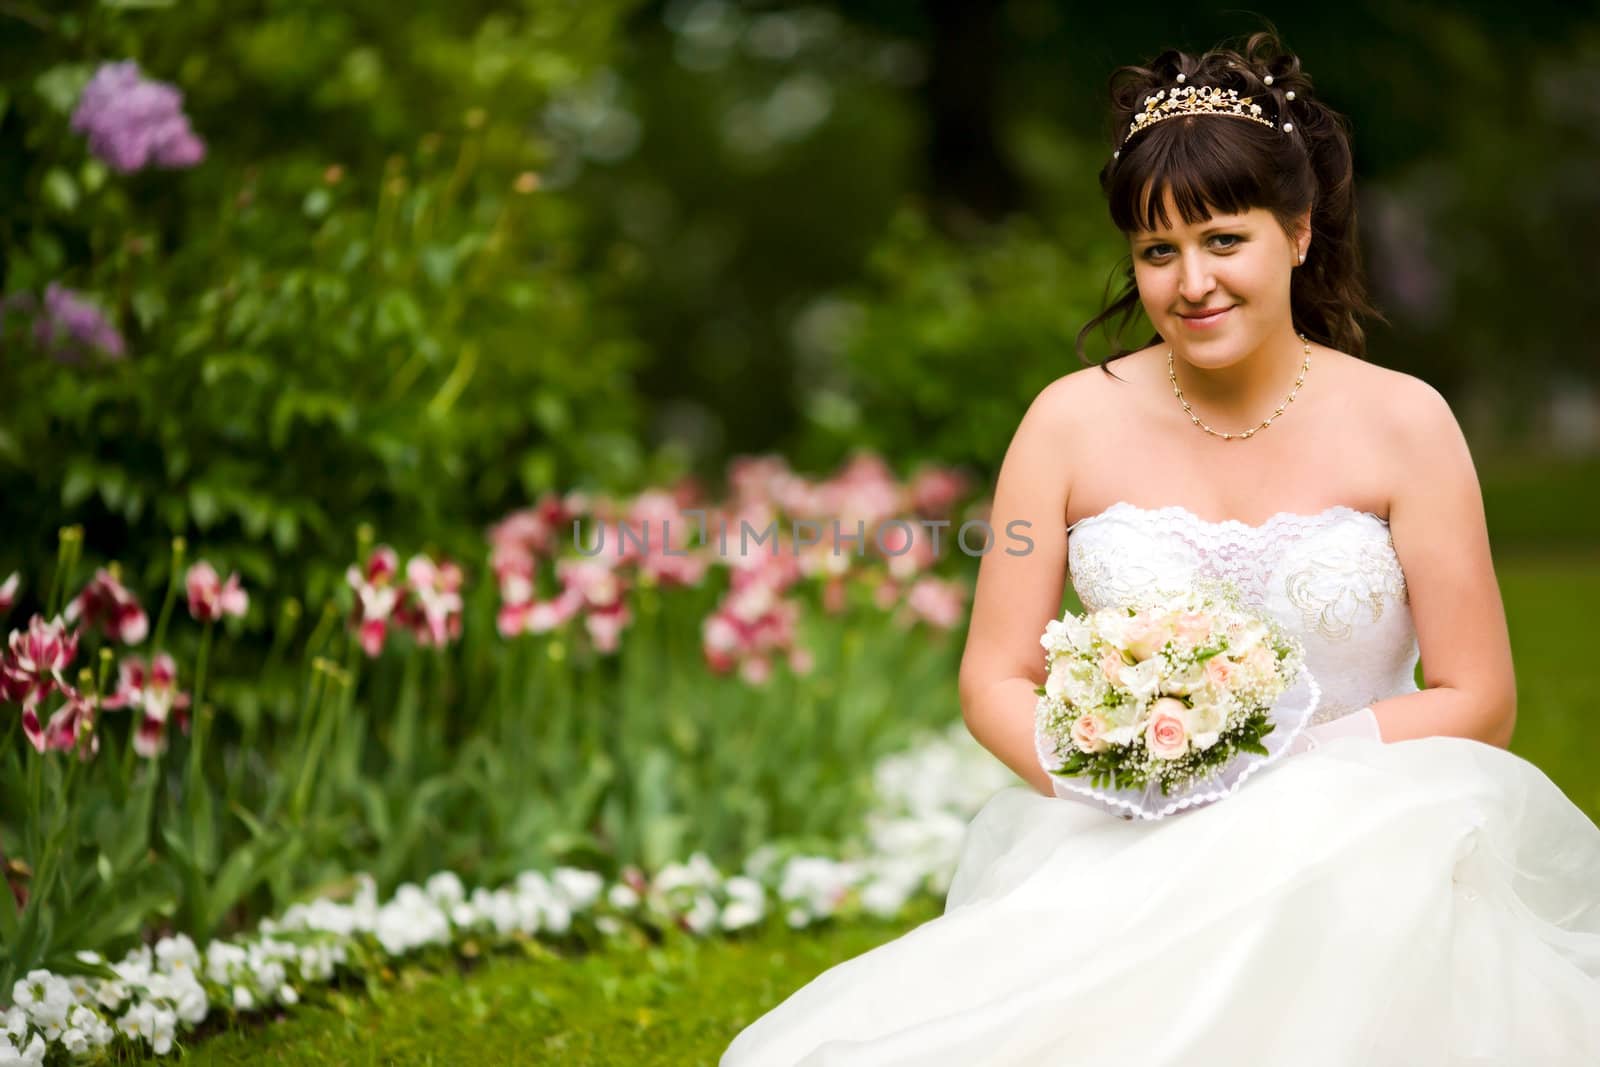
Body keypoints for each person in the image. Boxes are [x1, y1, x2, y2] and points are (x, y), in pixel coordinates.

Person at [721, 30, 1600, 1066]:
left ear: (1300, 232)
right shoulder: (1065, 423)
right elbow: (995, 677)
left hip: (1365, 834)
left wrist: (1279, 774)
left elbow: (1476, 693)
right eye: (1156, 250)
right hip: (1127, 828)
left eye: (1223, 239)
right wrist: (1125, 776)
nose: (1191, 282)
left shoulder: (1406, 423)